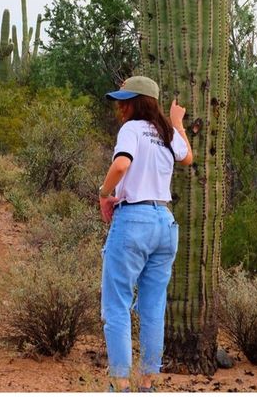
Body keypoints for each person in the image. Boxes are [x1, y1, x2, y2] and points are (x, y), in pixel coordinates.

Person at [97, 76, 193, 392]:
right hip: (164, 223)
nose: (120, 106)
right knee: (153, 307)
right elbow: (188, 157)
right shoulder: (166, 133)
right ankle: (147, 383)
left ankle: (121, 384)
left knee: (117, 305)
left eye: (125, 100)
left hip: (134, 221)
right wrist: (177, 123)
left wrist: (104, 193)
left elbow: (121, 165)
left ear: (137, 103)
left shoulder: (132, 129)